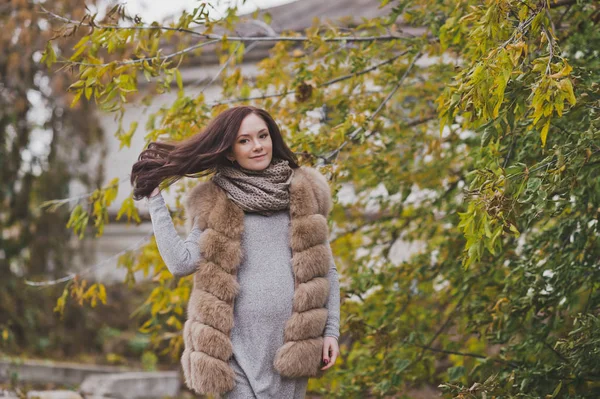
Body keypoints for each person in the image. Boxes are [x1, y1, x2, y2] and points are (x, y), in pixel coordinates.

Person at [130, 106, 341, 398]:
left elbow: (325, 270)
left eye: (262, 136)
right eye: (244, 140)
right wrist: (154, 200)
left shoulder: (304, 193)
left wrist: (331, 331)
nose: (257, 146)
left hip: (292, 346)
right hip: (234, 350)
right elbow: (181, 264)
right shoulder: (216, 201)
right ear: (230, 151)